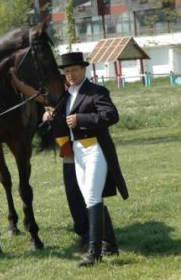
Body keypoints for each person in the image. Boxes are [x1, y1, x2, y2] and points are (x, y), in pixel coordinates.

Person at [42, 52, 129, 266]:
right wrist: (51, 118)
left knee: (91, 196)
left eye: (74, 70)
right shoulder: (67, 94)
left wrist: (81, 119)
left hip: (96, 149)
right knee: (91, 196)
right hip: (79, 152)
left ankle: (94, 252)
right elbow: (63, 121)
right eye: (67, 71)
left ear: (84, 69)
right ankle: (110, 245)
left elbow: (111, 116)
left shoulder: (96, 91)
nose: (70, 74)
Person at [9, 67, 89, 251]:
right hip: (68, 154)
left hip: (86, 152)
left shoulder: (84, 95)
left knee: (88, 195)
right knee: (73, 196)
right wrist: (16, 82)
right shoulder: (61, 99)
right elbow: (36, 96)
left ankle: (96, 234)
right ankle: (84, 234)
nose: (67, 81)